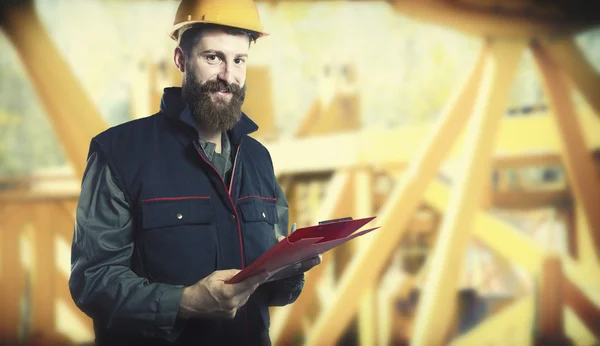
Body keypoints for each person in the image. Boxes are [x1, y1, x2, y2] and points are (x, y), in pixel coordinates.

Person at [68, 0, 321, 344]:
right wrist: (184, 302)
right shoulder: (118, 152)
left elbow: (274, 296)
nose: (227, 77)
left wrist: (291, 265)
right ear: (181, 60)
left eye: (239, 60)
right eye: (213, 57)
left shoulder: (259, 159)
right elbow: (93, 282)